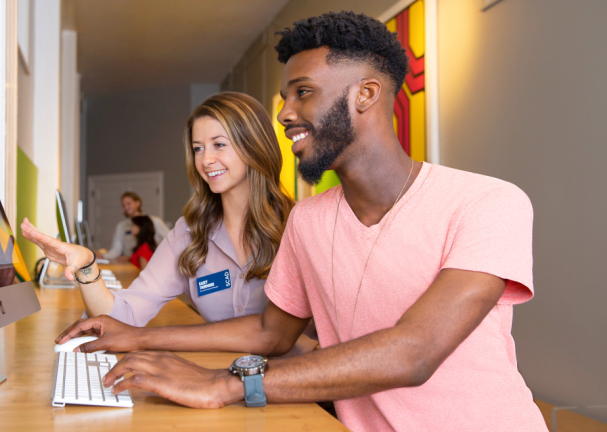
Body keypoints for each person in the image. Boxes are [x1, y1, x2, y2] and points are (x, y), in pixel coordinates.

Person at [54, 11, 548, 432]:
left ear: (366, 95)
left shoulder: (488, 202)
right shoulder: (309, 221)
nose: (285, 114)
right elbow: (272, 334)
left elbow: (414, 353)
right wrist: (138, 337)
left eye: (303, 93)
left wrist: (225, 383)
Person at [21, 92, 298, 330]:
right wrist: (85, 265)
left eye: (219, 144)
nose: (206, 160)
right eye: (198, 148)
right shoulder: (189, 235)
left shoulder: (299, 226)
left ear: (254, 144)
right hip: (224, 384)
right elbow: (125, 315)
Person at [99, 192, 170, 263]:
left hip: (149, 263)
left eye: (128, 203)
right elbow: (116, 250)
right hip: (131, 263)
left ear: (138, 203)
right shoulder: (121, 226)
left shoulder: (154, 221)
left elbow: (171, 239)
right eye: (123, 205)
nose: (126, 207)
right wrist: (103, 256)